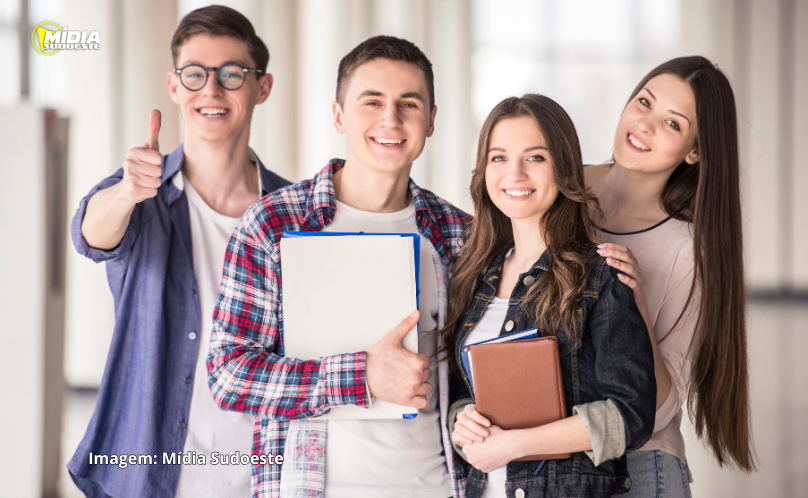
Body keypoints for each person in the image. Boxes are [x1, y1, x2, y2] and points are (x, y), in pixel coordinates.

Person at [206, 35, 472, 498]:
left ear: (431, 121)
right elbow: (229, 374)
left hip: (436, 486)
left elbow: (473, 377)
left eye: (409, 103)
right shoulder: (275, 223)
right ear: (339, 116)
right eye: (372, 102)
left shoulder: (459, 233)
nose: (391, 119)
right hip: (314, 488)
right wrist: (361, 374)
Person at [67, 6, 290, 497]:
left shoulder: (292, 214)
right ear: (174, 87)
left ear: (262, 87)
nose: (210, 90)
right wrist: (128, 191)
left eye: (232, 74)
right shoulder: (139, 194)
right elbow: (89, 234)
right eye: (194, 74)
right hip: (150, 474)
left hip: (263, 474)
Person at [444, 94, 656, 498]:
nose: (515, 173)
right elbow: (461, 393)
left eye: (536, 157)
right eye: (499, 157)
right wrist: (463, 421)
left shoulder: (598, 274)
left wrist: (515, 446)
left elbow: (631, 415)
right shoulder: (474, 274)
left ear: (563, 166)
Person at [585, 56, 756, 496]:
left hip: (639, 467)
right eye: (644, 102)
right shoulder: (558, 188)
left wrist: (637, 304)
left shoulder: (688, 251)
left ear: (695, 151)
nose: (645, 124)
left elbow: (660, 411)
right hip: (548, 457)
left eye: (673, 124)